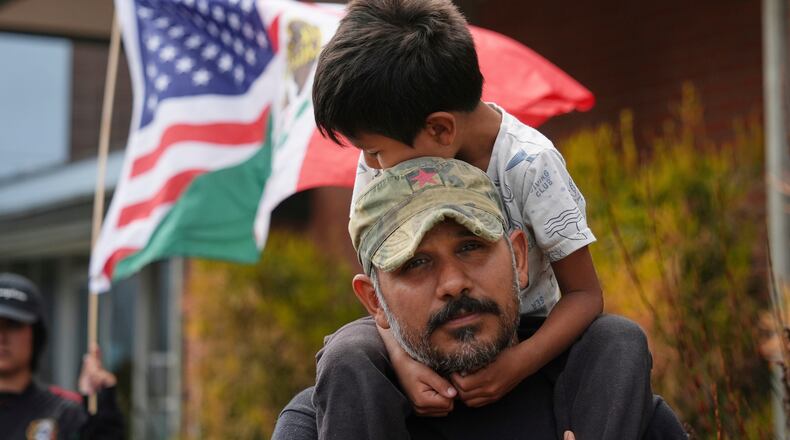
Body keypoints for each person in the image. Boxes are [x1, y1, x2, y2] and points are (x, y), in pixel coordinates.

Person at [305, 1, 682, 439]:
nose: (370, 163)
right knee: (346, 349)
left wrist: (517, 365)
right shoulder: (383, 160)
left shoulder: (530, 165)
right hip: (420, 333)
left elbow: (583, 294)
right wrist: (403, 360)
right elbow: (384, 291)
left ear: (441, 131)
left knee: (619, 340)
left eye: (374, 150)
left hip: (526, 333)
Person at [273, 158, 686, 440]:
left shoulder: (616, 408)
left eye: (472, 247)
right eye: (415, 263)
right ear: (374, 301)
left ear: (519, 257)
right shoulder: (323, 423)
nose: (453, 283)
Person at [0, 273, 124, 439]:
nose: (2, 337)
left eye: (13, 325)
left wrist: (104, 419)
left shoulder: (65, 414)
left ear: (35, 335)